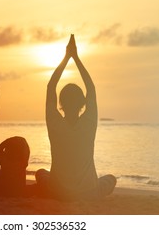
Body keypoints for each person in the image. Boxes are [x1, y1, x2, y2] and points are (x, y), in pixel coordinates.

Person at [35, 34, 116, 201]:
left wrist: (66, 58)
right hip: (88, 192)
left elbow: (51, 86)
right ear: (83, 104)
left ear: (61, 103)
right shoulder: (89, 122)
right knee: (110, 179)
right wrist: (76, 58)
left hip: (57, 192)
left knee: (40, 173)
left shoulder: (55, 123)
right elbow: (91, 88)